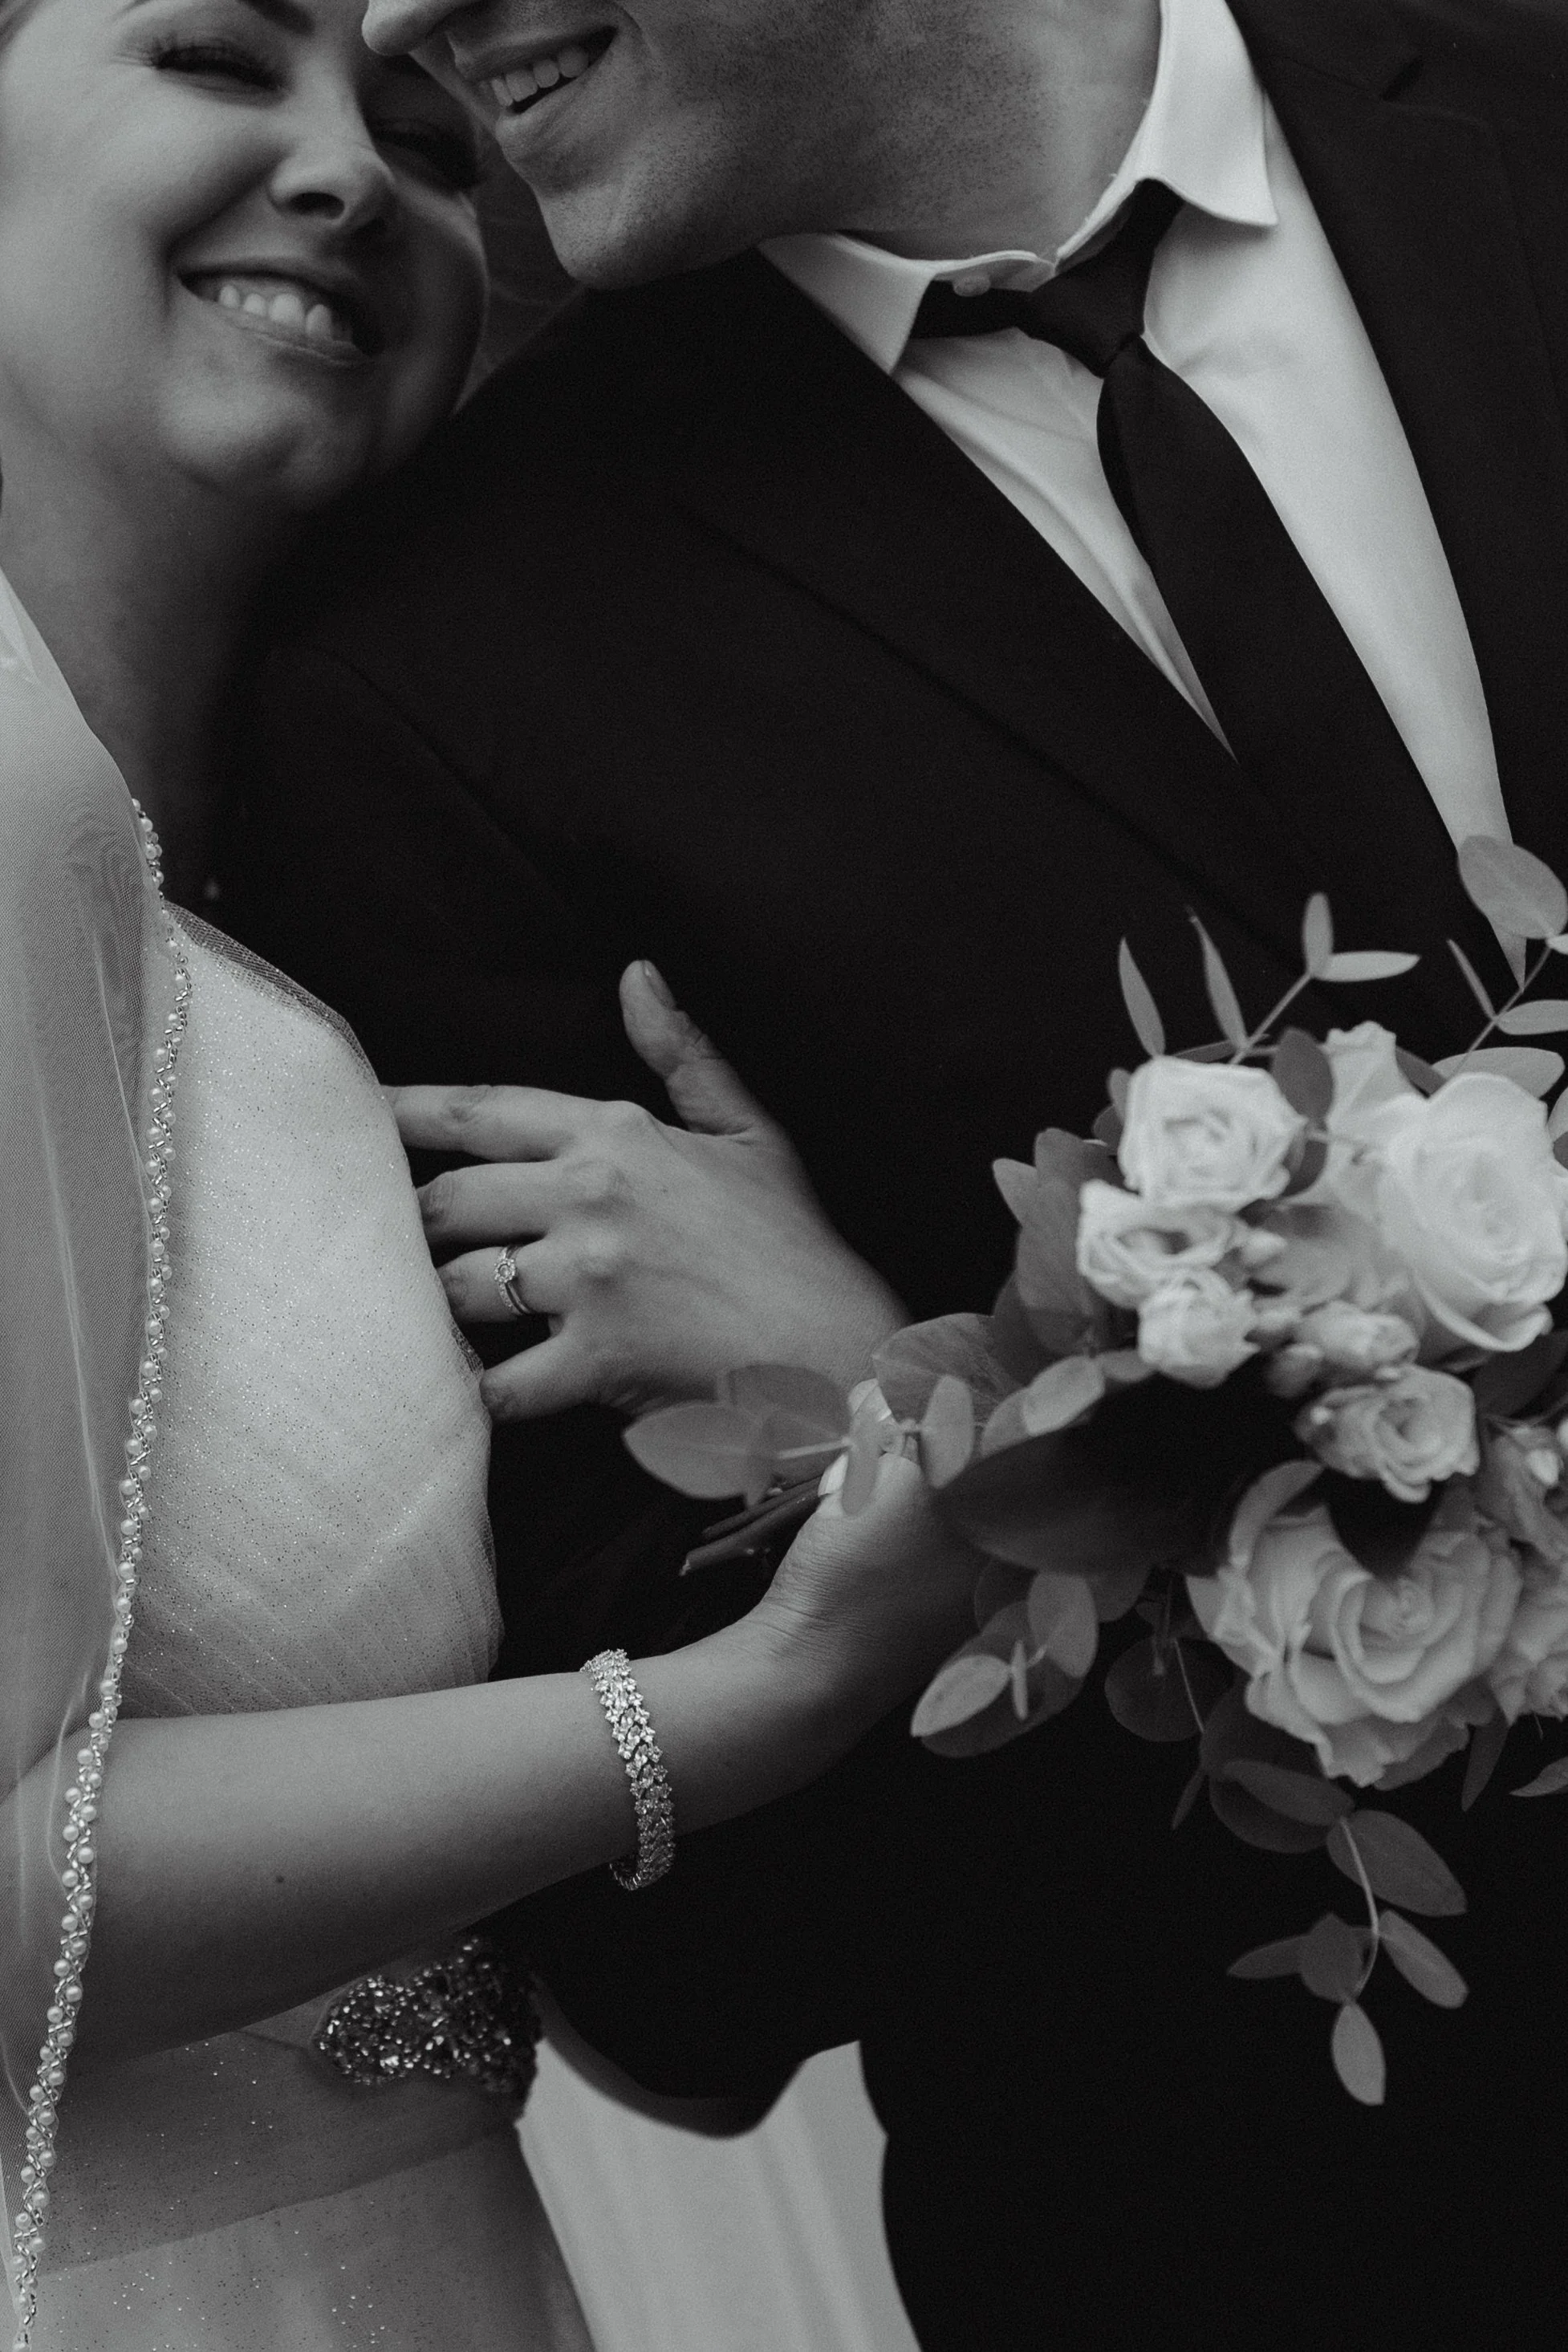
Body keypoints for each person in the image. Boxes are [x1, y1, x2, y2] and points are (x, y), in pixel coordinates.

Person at [222, 0, 1568, 2346]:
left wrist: (915, 1387)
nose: (394, 19)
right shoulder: (424, 684)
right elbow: (699, 1965)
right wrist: (927, 1513)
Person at [0, 4, 983, 2347]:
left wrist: (800, 1375)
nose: (346, 171)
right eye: (217, 60)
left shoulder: (298, 912)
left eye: (434, 142)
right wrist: (758, 1694)